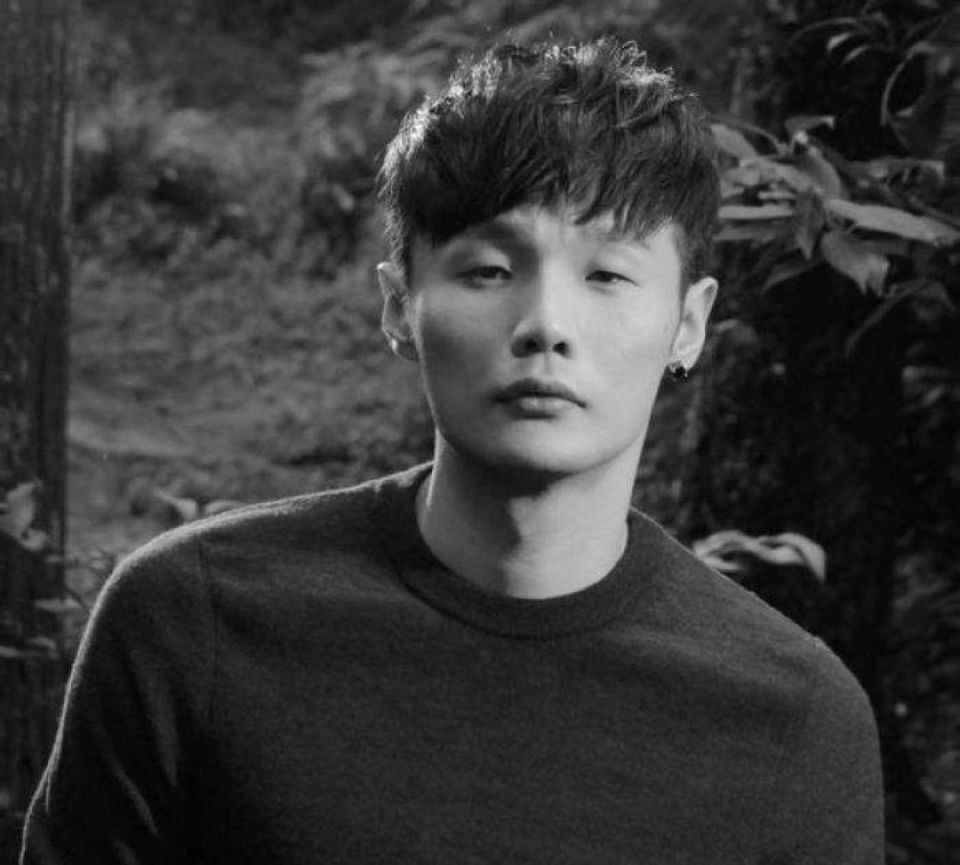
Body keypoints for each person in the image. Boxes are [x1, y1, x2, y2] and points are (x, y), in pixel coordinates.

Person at [20, 37, 884, 864]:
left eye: (607, 275)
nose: (546, 325)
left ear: (688, 323)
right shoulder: (190, 622)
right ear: (400, 305)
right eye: (488, 271)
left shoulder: (796, 718)